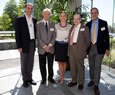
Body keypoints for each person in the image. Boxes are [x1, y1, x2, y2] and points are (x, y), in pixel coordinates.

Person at [86, 8, 110, 95]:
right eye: (92, 13)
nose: (94, 14)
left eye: (95, 13)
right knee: (91, 66)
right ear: (91, 14)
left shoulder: (103, 23)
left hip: (100, 49)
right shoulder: (87, 24)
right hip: (90, 48)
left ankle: (96, 85)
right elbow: (85, 38)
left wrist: (107, 48)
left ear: (98, 13)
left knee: (97, 67)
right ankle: (92, 80)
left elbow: (106, 37)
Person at [15, 3, 37, 88]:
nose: (30, 10)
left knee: (31, 62)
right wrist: (19, 46)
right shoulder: (19, 19)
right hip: (23, 45)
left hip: (32, 43)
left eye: (31, 8)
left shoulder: (34, 19)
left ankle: (30, 78)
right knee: (24, 63)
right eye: (28, 8)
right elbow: (17, 34)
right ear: (25, 8)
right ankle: (25, 79)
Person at [68, 14, 90, 90]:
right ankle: (74, 81)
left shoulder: (85, 28)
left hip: (80, 50)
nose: (76, 20)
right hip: (71, 48)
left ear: (80, 20)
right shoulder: (72, 28)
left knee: (80, 67)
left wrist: (83, 50)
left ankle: (81, 83)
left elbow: (88, 42)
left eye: (77, 19)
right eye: (74, 19)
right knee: (72, 66)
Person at [36, 8, 56, 85]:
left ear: (50, 15)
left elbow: (54, 36)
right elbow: (38, 36)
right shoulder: (38, 24)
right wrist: (45, 46)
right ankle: (43, 79)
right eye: (45, 13)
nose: (47, 15)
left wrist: (49, 45)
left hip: (51, 48)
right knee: (42, 65)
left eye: (48, 14)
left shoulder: (53, 24)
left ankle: (50, 78)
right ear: (43, 14)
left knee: (50, 65)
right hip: (42, 48)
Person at [55, 11, 72, 85]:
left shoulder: (70, 26)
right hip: (58, 45)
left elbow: (71, 36)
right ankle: (62, 77)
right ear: (59, 17)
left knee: (64, 62)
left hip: (66, 46)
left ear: (66, 17)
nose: (62, 17)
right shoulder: (56, 26)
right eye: (61, 16)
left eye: (64, 16)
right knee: (60, 62)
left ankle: (62, 77)